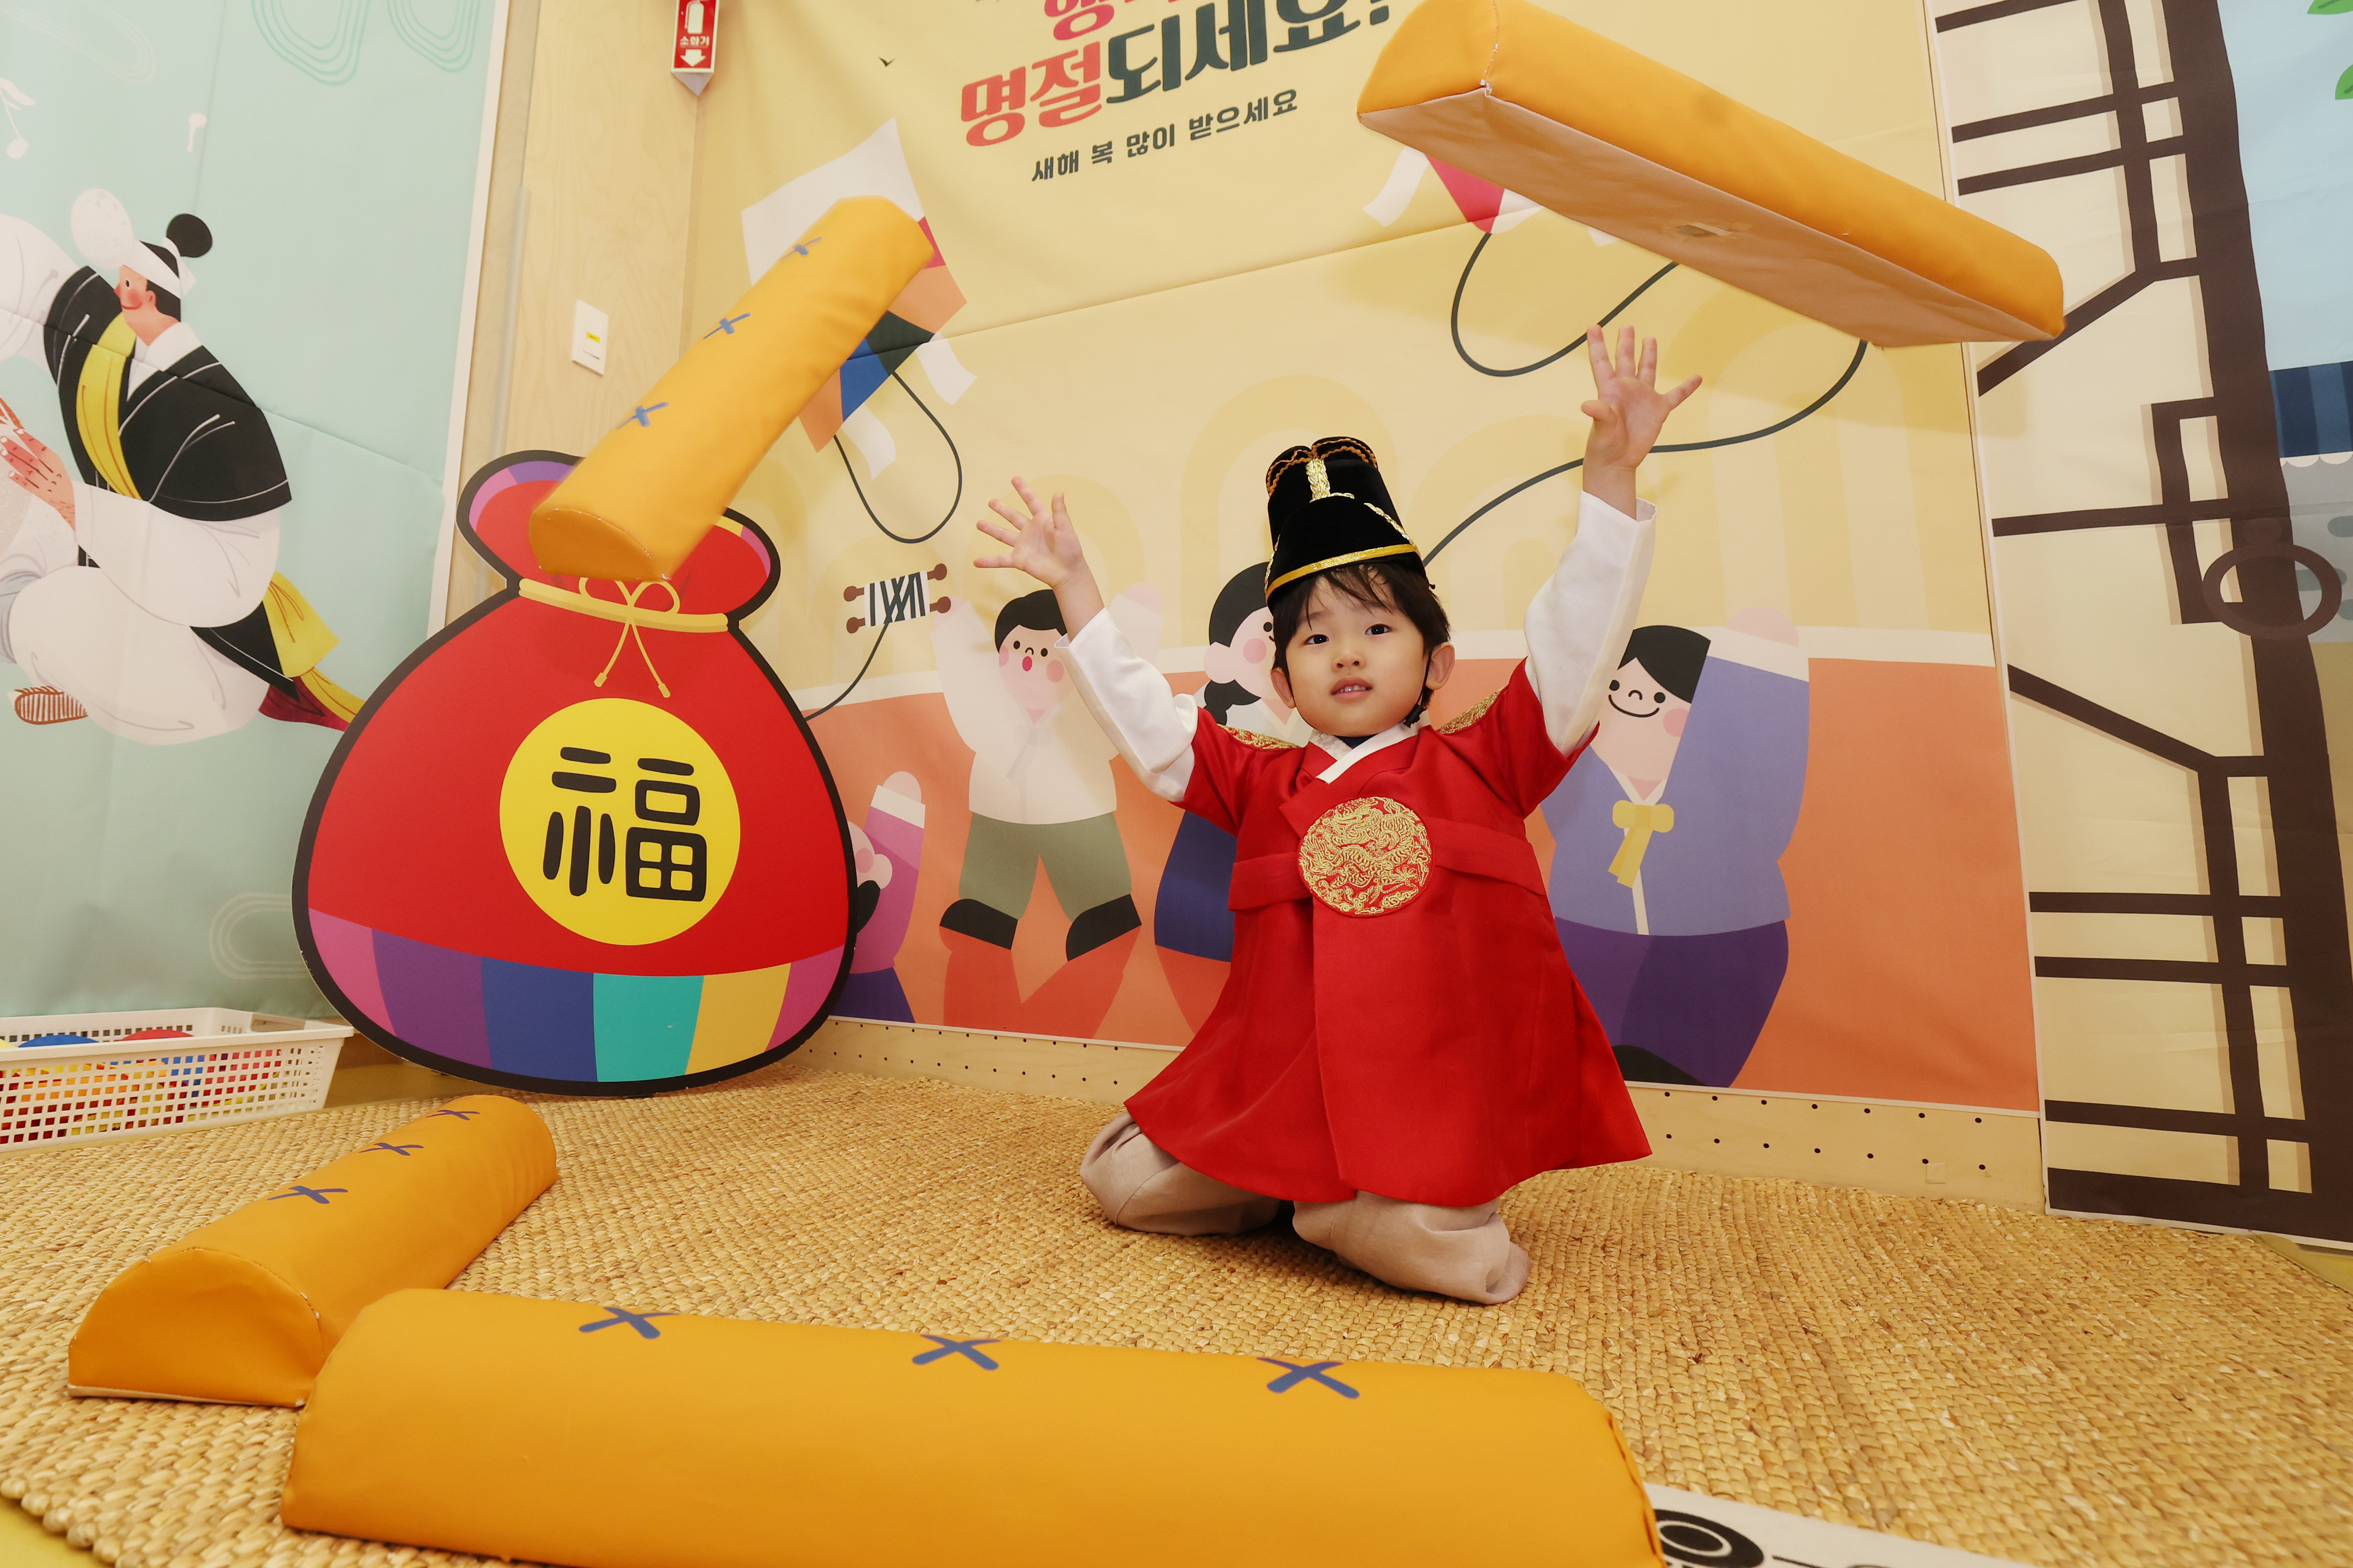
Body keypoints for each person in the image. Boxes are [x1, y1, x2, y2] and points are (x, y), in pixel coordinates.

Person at [971, 326, 1697, 1304]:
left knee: (1430, 1243)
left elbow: (1573, 646)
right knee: (1120, 1180)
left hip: (1429, 1099)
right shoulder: (1256, 776)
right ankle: (1293, 1190)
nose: (1345, 652)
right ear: (1280, 681)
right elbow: (1150, 725)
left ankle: (1362, 1208)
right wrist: (1074, 588)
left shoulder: (1488, 758)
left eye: (1376, 626)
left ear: (1435, 663)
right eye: (1314, 635)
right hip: (1278, 1090)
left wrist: (1610, 477)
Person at [0, 190, 359, 741]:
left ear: (146, 298)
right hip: (110, 572)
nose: (114, 292)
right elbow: (38, 294)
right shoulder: (112, 351)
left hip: (203, 659)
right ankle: (75, 673)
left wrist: (74, 502)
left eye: (124, 286)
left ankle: (75, 676)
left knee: (51, 614)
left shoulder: (221, 417)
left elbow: (228, 584)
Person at [1543, 611, 1811, 1087]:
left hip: (1720, 943)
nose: (1627, 706)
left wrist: (1771, 661)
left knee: (1681, 1080)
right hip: (1589, 936)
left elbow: (1775, 761)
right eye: (1617, 692)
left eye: (1652, 698)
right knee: (1602, 1083)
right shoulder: (1579, 785)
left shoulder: (1733, 793)